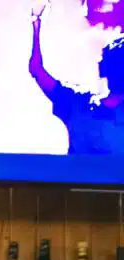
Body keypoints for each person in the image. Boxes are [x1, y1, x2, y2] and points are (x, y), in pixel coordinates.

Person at [29, 2, 124, 156]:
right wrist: (36, 22)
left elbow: (37, 70)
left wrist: (36, 23)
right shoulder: (76, 103)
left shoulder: (76, 103)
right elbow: (37, 71)